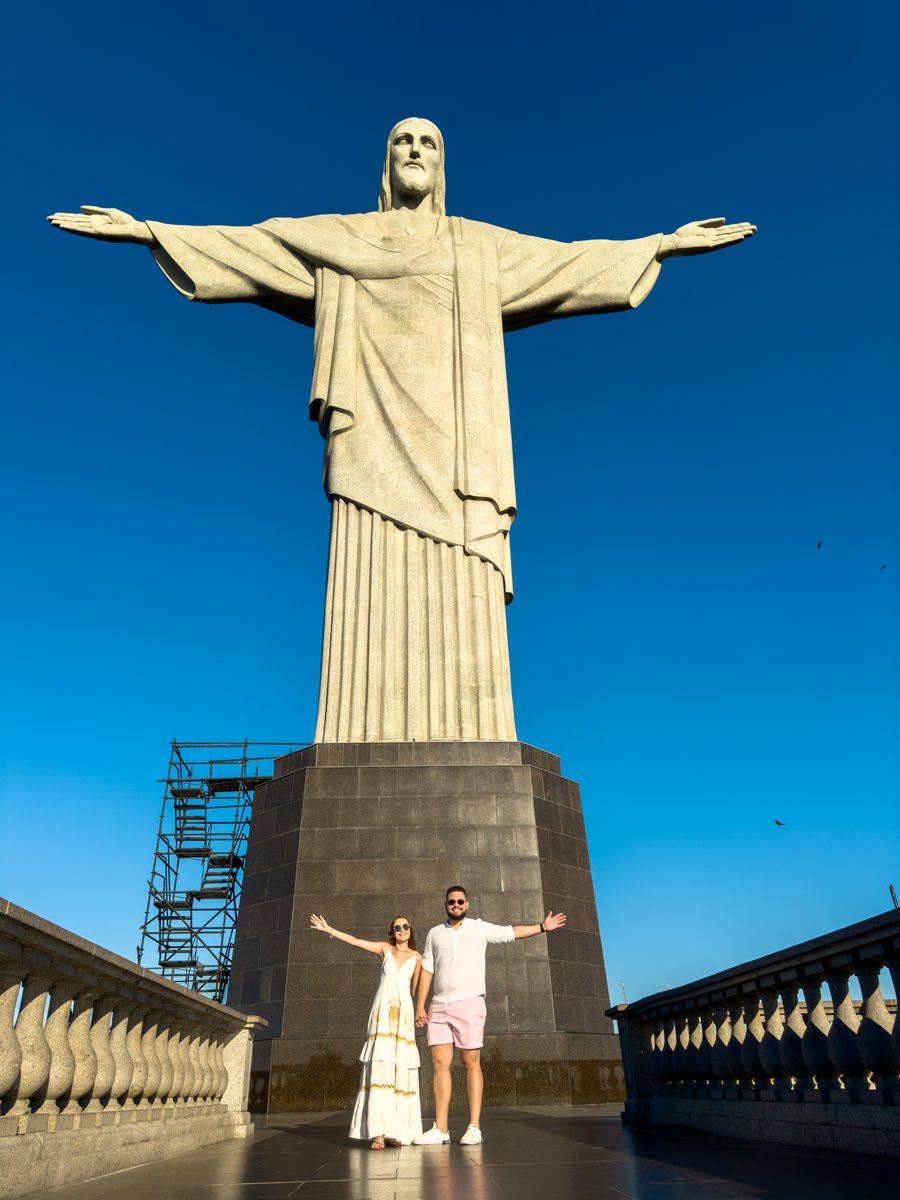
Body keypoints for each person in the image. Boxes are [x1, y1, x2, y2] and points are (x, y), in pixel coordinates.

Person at [47, 118, 756, 746]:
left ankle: (478, 731)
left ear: (442, 166)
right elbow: (254, 249)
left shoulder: (479, 246)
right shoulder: (339, 239)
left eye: (428, 143)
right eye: (402, 142)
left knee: (464, 586)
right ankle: (353, 730)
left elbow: (566, 261)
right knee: (366, 578)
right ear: (385, 164)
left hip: (459, 447)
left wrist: (658, 245)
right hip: (371, 446)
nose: (415, 151)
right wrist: (149, 231)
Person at [412, 885, 566, 1145]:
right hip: (439, 1006)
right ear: (446, 904)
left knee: (471, 1063)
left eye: (460, 901)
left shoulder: (479, 928)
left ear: (467, 904)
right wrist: (420, 1006)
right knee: (440, 1066)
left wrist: (542, 927)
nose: (456, 905)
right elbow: (426, 970)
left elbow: (511, 933)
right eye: (452, 902)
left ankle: (474, 1127)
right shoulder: (434, 934)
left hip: (469, 1004)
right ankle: (440, 1128)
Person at [310, 912, 423, 1148]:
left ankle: (395, 1131)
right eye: (397, 927)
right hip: (382, 1014)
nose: (401, 930)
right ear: (391, 933)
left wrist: (419, 1013)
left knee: (399, 1069)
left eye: (405, 926)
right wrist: (330, 930)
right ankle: (378, 1133)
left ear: (410, 930)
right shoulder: (385, 949)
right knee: (380, 1069)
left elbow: (415, 991)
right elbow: (356, 941)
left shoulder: (418, 958)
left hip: (402, 1016)